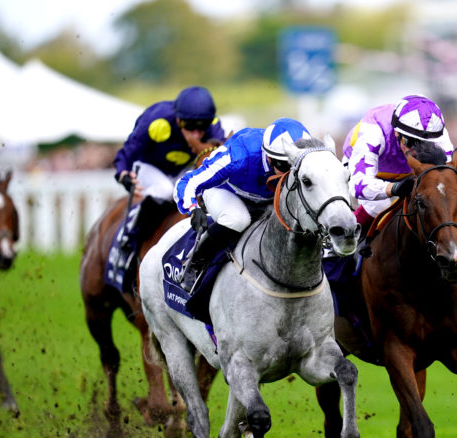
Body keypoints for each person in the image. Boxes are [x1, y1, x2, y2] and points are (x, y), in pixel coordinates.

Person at [175, 117, 311, 291]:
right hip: (226, 191)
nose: (291, 173)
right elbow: (187, 182)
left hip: (267, 197)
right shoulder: (238, 156)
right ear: (269, 159)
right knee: (238, 219)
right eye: (285, 166)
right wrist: (193, 209)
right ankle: (194, 265)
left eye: (296, 166)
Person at [112, 85, 226, 261]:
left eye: (202, 127)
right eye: (190, 126)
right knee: (165, 190)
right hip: (149, 166)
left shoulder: (213, 125)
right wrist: (122, 173)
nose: (196, 134)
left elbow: (222, 154)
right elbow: (129, 151)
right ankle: (131, 237)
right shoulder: (156, 121)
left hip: (181, 169)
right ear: (179, 120)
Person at [342, 94, 455, 233]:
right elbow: (358, 185)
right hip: (366, 169)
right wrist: (394, 188)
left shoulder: (437, 135)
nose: (414, 151)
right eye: (410, 142)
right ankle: (339, 244)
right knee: (378, 206)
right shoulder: (374, 131)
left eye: (423, 144)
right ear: (396, 133)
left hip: (405, 174)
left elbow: (454, 181)